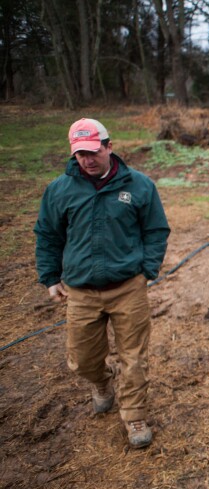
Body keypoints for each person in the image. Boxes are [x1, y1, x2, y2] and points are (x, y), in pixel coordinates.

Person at [34, 118, 170, 449]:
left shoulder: (139, 186)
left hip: (128, 289)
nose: (87, 160)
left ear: (109, 147)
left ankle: (134, 414)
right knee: (82, 358)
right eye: (80, 154)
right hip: (81, 291)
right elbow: (48, 235)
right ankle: (100, 383)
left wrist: (147, 270)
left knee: (134, 357)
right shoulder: (59, 190)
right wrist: (51, 277)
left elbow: (156, 230)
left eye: (93, 152)